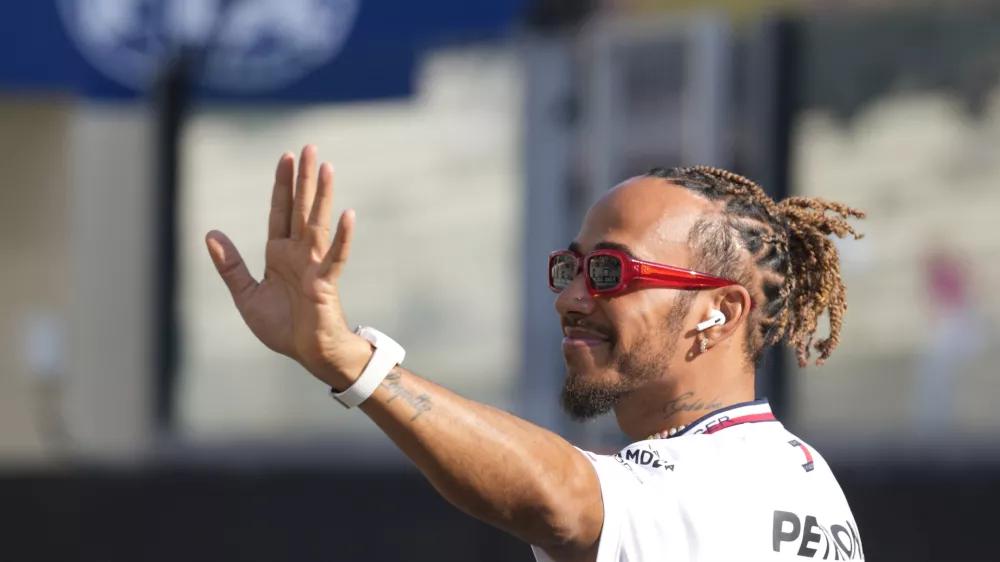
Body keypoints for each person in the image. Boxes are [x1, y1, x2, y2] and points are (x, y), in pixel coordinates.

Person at [206, 145, 867, 561]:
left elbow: (562, 498)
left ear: (719, 311)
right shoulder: (799, 476)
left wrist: (353, 362)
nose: (571, 297)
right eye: (569, 269)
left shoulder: (730, 481)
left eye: (611, 272)